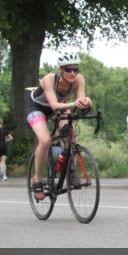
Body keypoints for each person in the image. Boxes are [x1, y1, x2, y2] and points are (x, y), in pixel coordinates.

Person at [26, 52, 92, 199]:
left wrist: (86, 101)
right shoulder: (49, 79)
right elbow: (54, 105)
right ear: (61, 70)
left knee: (70, 131)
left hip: (61, 106)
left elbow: (80, 101)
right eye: (68, 69)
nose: (72, 73)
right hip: (37, 108)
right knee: (45, 140)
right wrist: (75, 103)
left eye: (76, 69)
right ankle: (37, 179)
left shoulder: (79, 80)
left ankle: (70, 171)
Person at [0, 117, 12, 181]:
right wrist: (5, 140)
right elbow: (11, 138)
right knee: (3, 161)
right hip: (4, 145)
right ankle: (4, 176)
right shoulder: (5, 129)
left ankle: (1, 169)